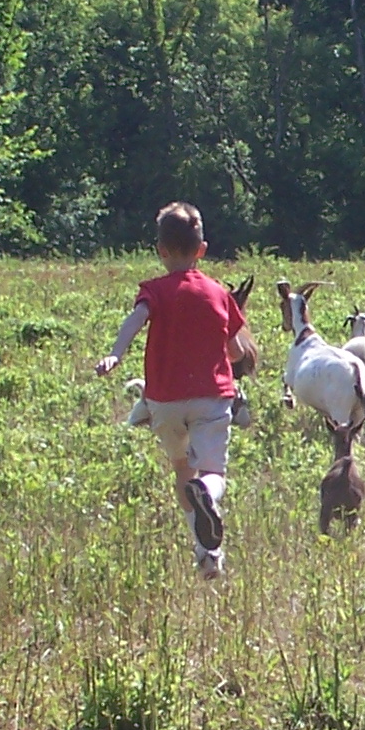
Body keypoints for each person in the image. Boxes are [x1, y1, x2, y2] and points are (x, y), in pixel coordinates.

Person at [95, 203, 248, 577]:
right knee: (211, 473)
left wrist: (115, 354)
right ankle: (208, 496)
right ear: (202, 249)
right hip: (211, 397)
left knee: (182, 468)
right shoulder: (218, 293)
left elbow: (135, 320)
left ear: (161, 250)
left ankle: (206, 553)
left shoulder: (154, 291)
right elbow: (237, 352)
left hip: (164, 401)